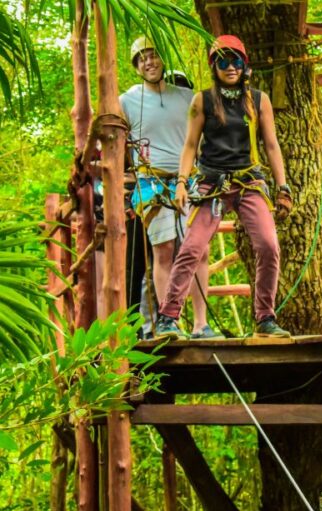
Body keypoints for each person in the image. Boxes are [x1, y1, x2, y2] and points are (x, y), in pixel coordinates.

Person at [155, 35, 293, 339]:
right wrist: (181, 182)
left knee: (269, 246)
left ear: (244, 65)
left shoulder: (259, 100)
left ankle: (265, 318)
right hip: (211, 183)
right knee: (192, 247)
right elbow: (190, 144)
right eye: (223, 61)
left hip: (248, 181)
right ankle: (168, 317)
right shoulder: (201, 100)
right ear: (214, 66)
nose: (230, 66)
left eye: (236, 60)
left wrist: (283, 187)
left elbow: (271, 145)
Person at [120, 37, 216, 339]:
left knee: (199, 250)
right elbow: (113, 140)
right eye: (142, 59)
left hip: (189, 178)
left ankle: (201, 323)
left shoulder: (188, 97)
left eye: (153, 56)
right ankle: (167, 322)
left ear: (162, 60)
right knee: (163, 251)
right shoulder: (126, 101)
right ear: (137, 66)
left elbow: (205, 136)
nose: (149, 62)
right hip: (153, 182)